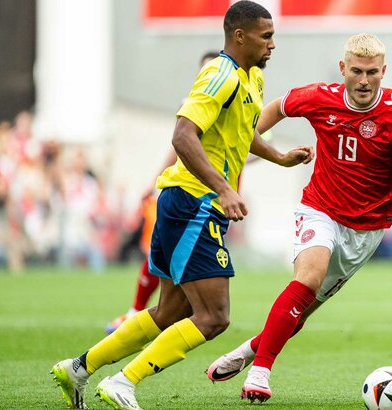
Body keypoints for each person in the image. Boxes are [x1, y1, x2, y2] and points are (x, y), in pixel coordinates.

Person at [50, 2, 314, 409]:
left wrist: (279, 157)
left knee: (169, 311)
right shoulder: (220, 73)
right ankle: (124, 381)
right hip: (194, 203)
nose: (273, 44)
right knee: (214, 317)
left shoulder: (252, 79)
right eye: (266, 36)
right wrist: (224, 189)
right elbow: (183, 135)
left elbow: (242, 133)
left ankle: (78, 368)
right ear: (239, 36)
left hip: (190, 203)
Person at [206, 33, 392, 403]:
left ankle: (247, 352)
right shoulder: (318, 97)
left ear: (383, 71)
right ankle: (260, 374)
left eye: (372, 72)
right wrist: (248, 141)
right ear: (343, 68)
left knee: (302, 312)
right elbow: (278, 106)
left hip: (367, 230)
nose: (363, 80)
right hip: (320, 209)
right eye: (356, 71)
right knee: (308, 277)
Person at [104, 51, 221, 335]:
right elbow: (179, 144)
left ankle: (175, 314)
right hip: (187, 195)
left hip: (218, 198)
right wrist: (154, 179)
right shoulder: (193, 104)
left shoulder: (237, 104)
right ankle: (138, 314)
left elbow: (252, 143)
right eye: (204, 70)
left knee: (188, 267)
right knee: (164, 256)